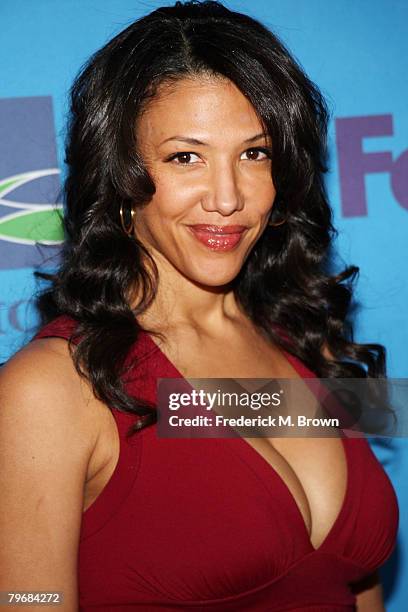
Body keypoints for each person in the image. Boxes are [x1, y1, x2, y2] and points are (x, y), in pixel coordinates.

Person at [0, 1, 399, 610]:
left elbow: (352, 583)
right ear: (121, 174)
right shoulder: (51, 388)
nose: (228, 197)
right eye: (185, 157)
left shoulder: (306, 333)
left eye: (254, 153)